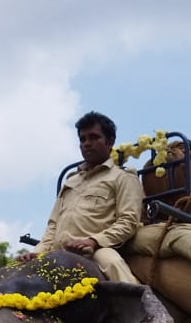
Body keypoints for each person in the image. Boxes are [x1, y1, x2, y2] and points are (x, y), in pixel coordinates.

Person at [28, 110, 144, 283]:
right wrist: (38, 251)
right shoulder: (71, 181)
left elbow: (129, 221)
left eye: (93, 137)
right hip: (56, 252)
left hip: (98, 251)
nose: (87, 143)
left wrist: (93, 241)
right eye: (82, 139)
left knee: (114, 265)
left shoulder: (123, 177)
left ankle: (143, 308)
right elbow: (53, 225)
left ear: (110, 142)